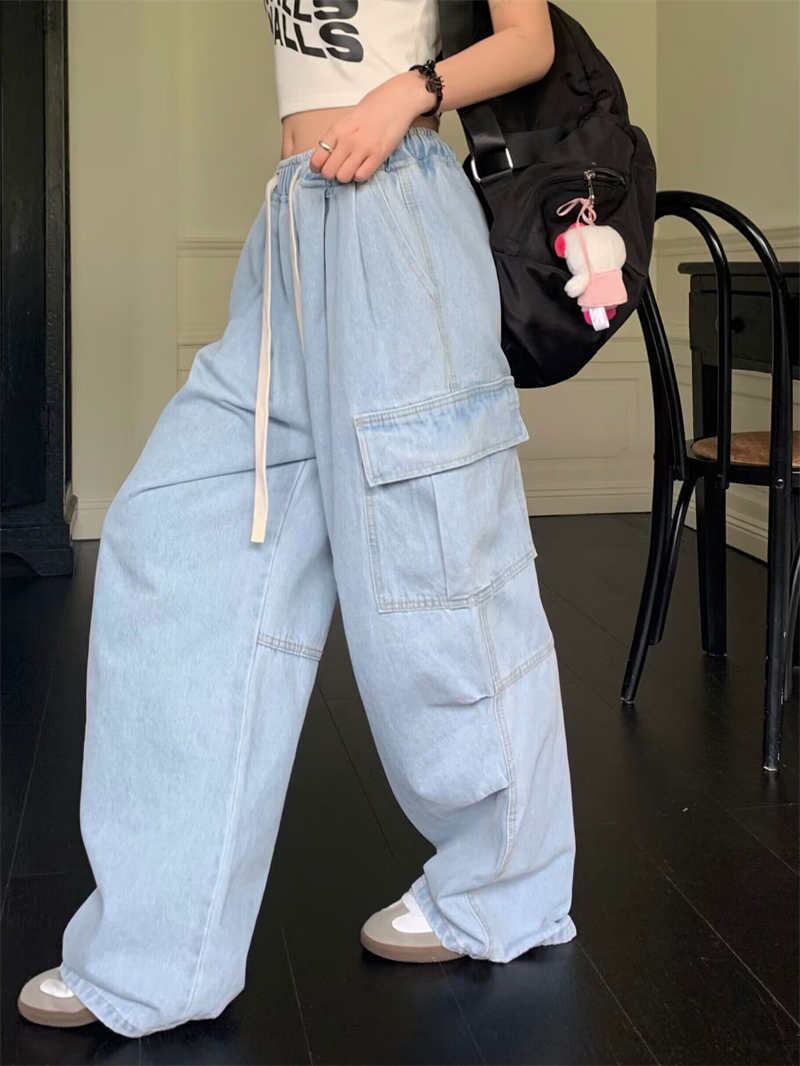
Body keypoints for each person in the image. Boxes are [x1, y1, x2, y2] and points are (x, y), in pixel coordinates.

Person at [17, 0, 577, 1038]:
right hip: (290, 223)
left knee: (439, 569)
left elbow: (529, 39)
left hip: (397, 210)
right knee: (174, 541)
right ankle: (161, 955)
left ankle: (505, 887)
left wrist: (405, 95)